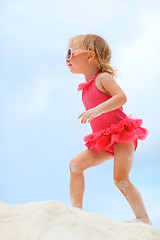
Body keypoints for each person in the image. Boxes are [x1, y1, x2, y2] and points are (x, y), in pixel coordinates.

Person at [66, 34, 152, 225]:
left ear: (90, 56)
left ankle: (143, 218)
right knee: (75, 166)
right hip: (104, 139)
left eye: (71, 52)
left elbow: (121, 97)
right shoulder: (86, 87)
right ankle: (75, 212)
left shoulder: (102, 78)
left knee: (120, 179)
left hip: (122, 136)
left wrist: (98, 109)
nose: (67, 58)